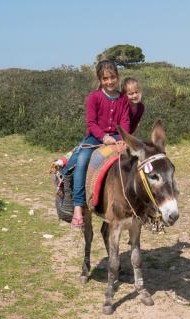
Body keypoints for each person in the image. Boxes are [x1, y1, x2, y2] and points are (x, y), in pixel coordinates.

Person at [59, 60, 131, 228]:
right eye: (105, 78)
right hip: (95, 137)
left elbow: (125, 121)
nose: (110, 81)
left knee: (135, 159)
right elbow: (91, 123)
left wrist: (123, 139)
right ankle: (78, 206)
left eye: (112, 77)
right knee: (82, 161)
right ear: (100, 80)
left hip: (117, 136)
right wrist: (103, 137)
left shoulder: (123, 99)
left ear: (117, 77)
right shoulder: (94, 97)